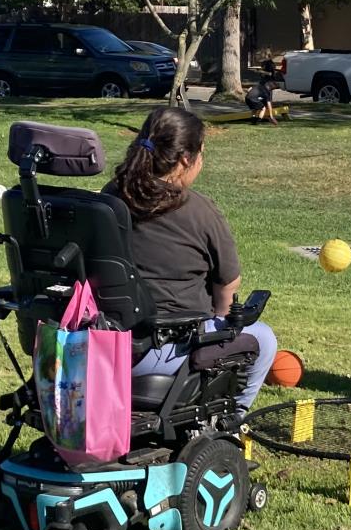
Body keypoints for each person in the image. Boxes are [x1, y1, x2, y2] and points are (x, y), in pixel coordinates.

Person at [105, 105, 277, 416]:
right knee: (262, 338)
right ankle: (228, 425)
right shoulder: (198, 210)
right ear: (185, 159)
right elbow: (228, 284)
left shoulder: (111, 198)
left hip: (104, 344)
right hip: (162, 347)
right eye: (201, 154)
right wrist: (223, 321)